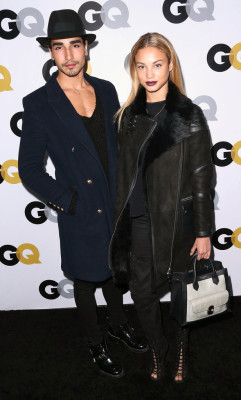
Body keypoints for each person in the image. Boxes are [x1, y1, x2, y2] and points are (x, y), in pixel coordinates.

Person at [18, 9, 147, 379]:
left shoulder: (105, 89)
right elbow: (28, 169)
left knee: (113, 271)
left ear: (86, 46)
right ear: (50, 52)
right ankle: (95, 341)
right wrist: (68, 200)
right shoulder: (39, 103)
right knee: (86, 279)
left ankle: (118, 323)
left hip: (113, 200)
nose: (69, 55)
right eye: (60, 48)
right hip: (79, 206)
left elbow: (118, 147)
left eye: (75, 45)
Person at [109, 32, 213, 382]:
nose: (150, 73)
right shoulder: (128, 116)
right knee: (142, 293)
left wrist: (203, 232)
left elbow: (202, 178)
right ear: (134, 71)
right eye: (142, 66)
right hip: (139, 219)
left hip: (179, 220)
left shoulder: (188, 114)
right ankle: (159, 349)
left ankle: (182, 349)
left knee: (184, 290)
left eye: (157, 64)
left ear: (170, 65)